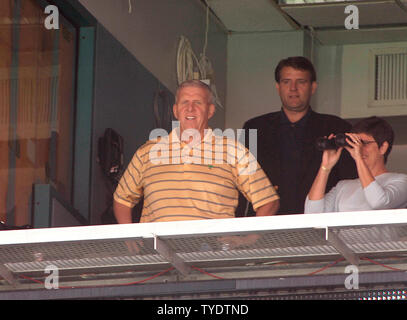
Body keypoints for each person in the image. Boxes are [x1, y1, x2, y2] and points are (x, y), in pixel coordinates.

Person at [113, 80, 279, 224]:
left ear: (210, 110)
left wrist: (248, 239)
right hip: (159, 257)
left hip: (210, 256)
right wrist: (131, 239)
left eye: (198, 102)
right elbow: (122, 199)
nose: (190, 108)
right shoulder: (148, 151)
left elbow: (268, 201)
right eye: (184, 102)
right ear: (176, 110)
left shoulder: (233, 151)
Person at [236, 56, 357, 216]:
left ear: (313, 87)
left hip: (320, 226)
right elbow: (240, 184)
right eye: (286, 82)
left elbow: (350, 183)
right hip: (265, 228)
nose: (293, 88)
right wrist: (237, 230)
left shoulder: (336, 127)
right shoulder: (255, 128)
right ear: (278, 87)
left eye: (301, 82)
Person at [305, 116, 407, 213]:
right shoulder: (342, 187)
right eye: (355, 143)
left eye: (364, 143)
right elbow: (312, 214)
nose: (359, 148)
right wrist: (325, 167)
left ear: (383, 147)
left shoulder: (401, 181)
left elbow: (379, 202)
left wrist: (359, 158)